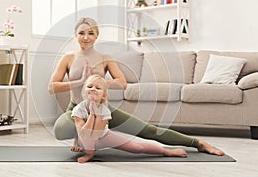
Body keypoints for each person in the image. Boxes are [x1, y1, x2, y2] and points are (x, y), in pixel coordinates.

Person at [48, 17, 224, 156]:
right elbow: (52, 87)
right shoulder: (68, 58)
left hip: (103, 110)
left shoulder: (105, 57)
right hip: (77, 109)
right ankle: (83, 136)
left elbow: (122, 83)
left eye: (90, 33)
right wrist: (81, 82)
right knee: (60, 130)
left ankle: (198, 143)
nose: (86, 37)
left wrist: (99, 83)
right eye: (81, 33)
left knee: (149, 130)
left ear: (96, 36)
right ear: (75, 34)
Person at [72, 74, 187, 163]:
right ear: (84, 90)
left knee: (137, 148)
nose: (93, 89)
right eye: (89, 86)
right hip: (84, 140)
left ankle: (166, 151)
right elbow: (84, 134)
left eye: (98, 88)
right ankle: (89, 153)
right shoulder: (79, 109)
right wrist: (92, 114)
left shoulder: (105, 111)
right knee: (85, 137)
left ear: (104, 95)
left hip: (104, 136)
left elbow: (96, 134)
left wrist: (96, 114)